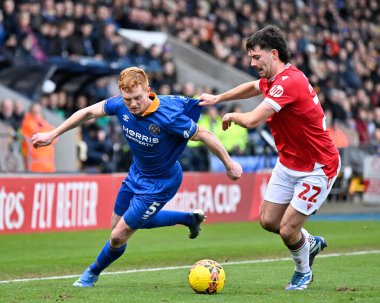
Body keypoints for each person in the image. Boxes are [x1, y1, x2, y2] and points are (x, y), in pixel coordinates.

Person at [31, 67, 242, 287]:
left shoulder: (168, 115)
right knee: (116, 225)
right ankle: (188, 218)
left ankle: (91, 273)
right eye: (128, 99)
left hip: (161, 183)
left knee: (118, 236)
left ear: (148, 91)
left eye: (138, 98)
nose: (132, 104)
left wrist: (229, 163)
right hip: (136, 173)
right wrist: (52, 134)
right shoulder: (119, 104)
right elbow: (87, 113)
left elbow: (205, 134)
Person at [199, 25, 340, 291]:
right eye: (250, 58)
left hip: (317, 167)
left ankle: (303, 273)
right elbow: (253, 87)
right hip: (288, 162)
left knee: (287, 229)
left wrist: (231, 115)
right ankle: (308, 242)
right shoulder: (272, 81)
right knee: (268, 221)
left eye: (256, 57)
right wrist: (219, 98)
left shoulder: (290, 82)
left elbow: (252, 120)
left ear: (274, 54)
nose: (252, 63)